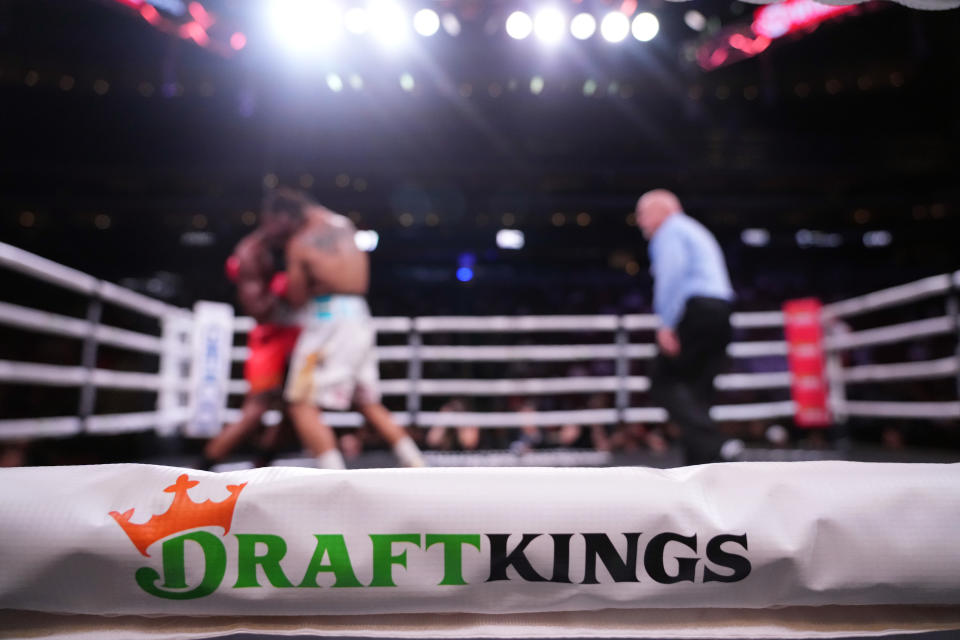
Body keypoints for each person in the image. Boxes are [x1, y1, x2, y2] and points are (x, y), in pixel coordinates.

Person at [260, 187, 425, 469]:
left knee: (300, 403)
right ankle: (417, 464)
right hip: (360, 316)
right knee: (367, 402)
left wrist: (280, 290)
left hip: (327, 321)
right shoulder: (346, 225)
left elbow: (297, 298)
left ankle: (333, 478)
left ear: (285, 215)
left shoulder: (300, 242)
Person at [635, 189, 741, 465]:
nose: (640, 221)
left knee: (662, 380)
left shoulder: (670, 231)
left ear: (664, 210)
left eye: (643, 213)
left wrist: (666, 323)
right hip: (721, 311)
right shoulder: (694, 230)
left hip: (696, 310)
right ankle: (702, 461)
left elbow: (672, 275)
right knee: (698, 387)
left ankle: (714, 444)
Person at [199, 230, 301, 470]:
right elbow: (261, 307)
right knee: (255, 410)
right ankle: (200, 467)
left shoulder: (274, 272)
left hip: (289, 345)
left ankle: (261, 465)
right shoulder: (263, 274)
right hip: (271, 346)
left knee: (293, 411)